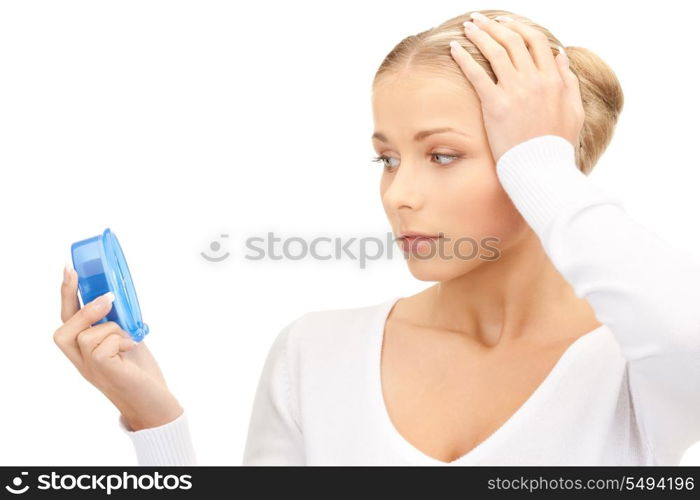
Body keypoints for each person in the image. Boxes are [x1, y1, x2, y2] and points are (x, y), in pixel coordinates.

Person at [54, 9, 700, 465]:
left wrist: (543, 167)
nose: (398, 194)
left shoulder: (634, 368)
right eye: (387, 158)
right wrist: (154, 421)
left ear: (543, 163)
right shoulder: (315, 352)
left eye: (442, 155)